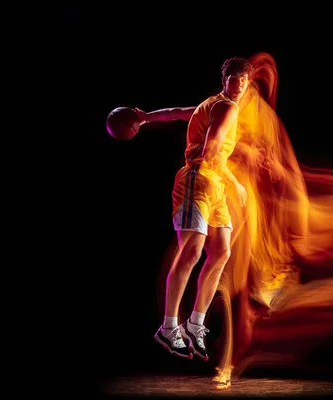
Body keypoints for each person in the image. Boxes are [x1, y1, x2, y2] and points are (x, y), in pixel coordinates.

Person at [134, 57, 254, 361]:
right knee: (192, 251)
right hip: (197, 180)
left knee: (222, 252)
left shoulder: (213, 105)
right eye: (234, 78)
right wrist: (235, 183)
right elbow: (211, 151)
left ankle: (195, 324)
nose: (238, 83)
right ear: (224, 80)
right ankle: (169, 327)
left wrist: (146, 117)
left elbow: (177, 113)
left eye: (243, 79)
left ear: (248, 83)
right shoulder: (226, 106)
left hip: (214, 185)